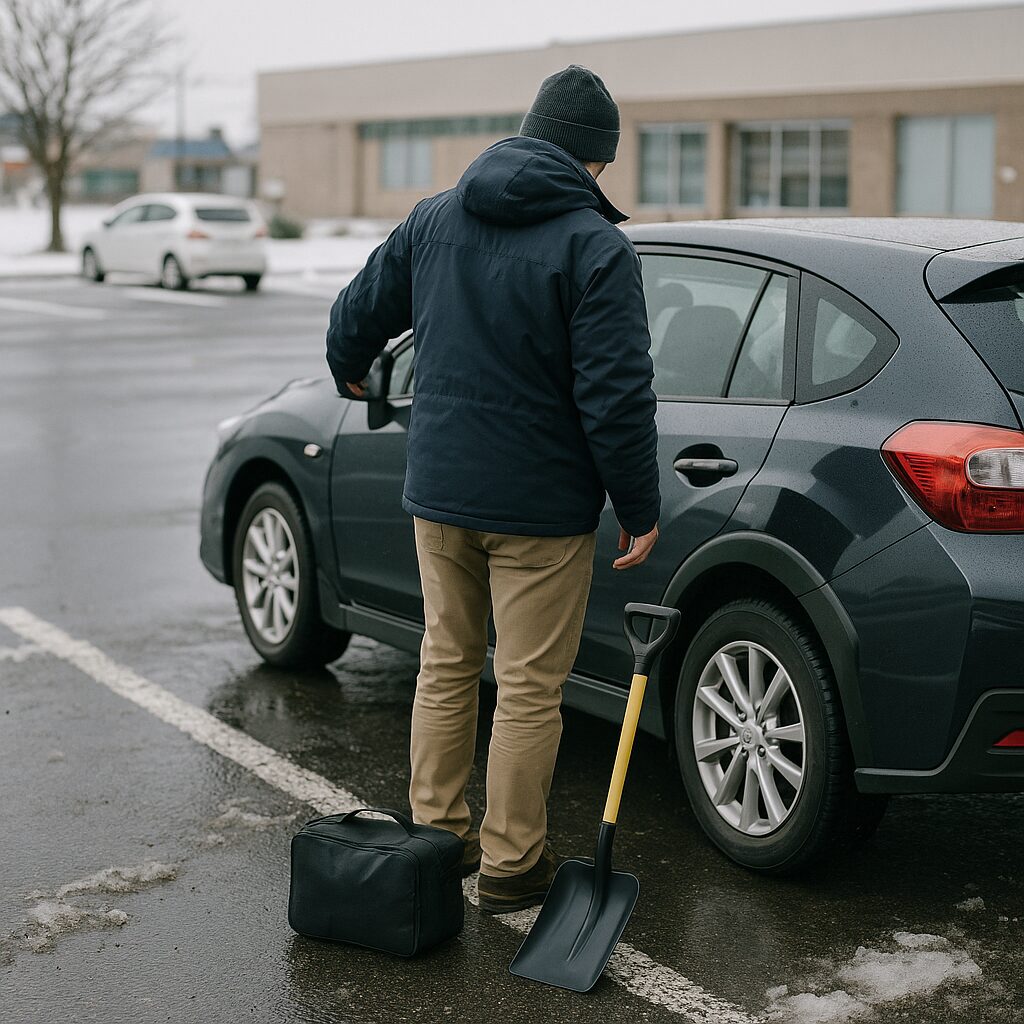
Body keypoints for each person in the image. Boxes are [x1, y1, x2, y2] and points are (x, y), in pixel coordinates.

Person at [326, 65, 660, 914]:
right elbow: (615, 395)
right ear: (593, 161)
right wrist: (640, 506)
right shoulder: (597, 247)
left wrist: (349, 372)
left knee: (444, 662)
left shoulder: (436, 217)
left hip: (438, 494)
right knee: (528, 685)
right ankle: (513, 864)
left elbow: (355, 313)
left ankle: (438, 840)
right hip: (540, 514)